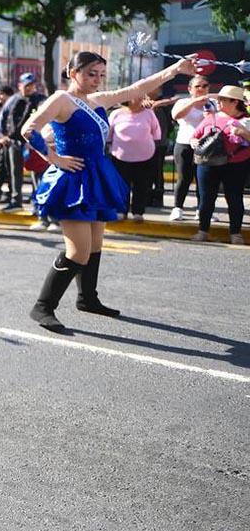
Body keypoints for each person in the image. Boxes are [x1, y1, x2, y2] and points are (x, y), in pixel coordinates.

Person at [22, 51, 196, 331]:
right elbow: (29, 130)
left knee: (95, 246)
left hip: (96, 176)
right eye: (91, 73)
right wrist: (55, 159)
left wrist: (175, 69)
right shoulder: (61, 100)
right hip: (72, 179)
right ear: (72, 72)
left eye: (101, 75)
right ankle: (43, 306)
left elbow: (136, 89)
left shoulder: (96, 100)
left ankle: (87, 298)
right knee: (78, 252)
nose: (97, 80)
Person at [191, 85, 250, 245]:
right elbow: (194, 137)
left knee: (234, 198)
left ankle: (235, 233)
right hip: (209, 163)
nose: (219, 102)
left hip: (236, 164)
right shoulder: (211, 117)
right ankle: (203, 230)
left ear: (235, 102)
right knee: (206, 198)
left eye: (223, 100)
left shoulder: (246, 121)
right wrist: (195, 142)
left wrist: (243, 132)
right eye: (219, 99)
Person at [108, 97, 161, 222]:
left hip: (144, 155)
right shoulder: (116, 114)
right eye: (136, 98)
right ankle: (121, 210)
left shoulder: (149, 114)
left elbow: (156, 132)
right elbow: (109, 134)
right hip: (120, 155)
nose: (139, 101)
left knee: (141, 185)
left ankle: (138, 212)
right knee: (121, 185)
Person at [0, 74, 45, 211]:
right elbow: (2, 117)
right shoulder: (13, 100)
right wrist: (3, 135)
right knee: (15, 172)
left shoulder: (40, 99)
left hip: (33, 142)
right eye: (27, 85)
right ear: (20, 85)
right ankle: (15, 200)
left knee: (36, 173)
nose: (30, 88)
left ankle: (37, 203)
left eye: (32, 85)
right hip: (15, 141)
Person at [169, 75, 212, 220]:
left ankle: (202, 210)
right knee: (184, 178)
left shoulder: (212, 104)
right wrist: (194, 102)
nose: (201, 89)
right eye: (197, 86)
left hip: (206, 146)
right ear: (190, 89)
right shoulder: (183, 102)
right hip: (185, 144)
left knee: (204, 179)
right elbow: (176, 115)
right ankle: (178, 208)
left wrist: (211, 116)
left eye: (205, 86)